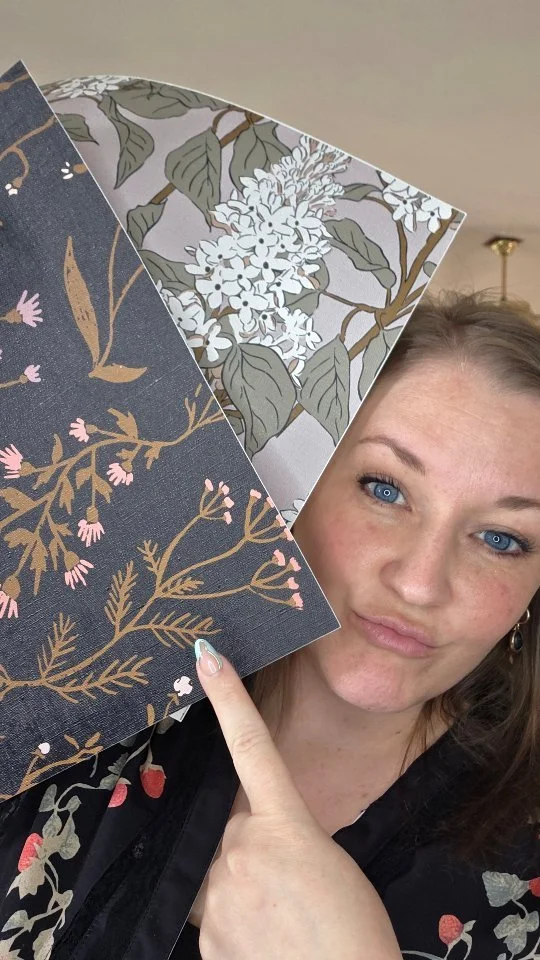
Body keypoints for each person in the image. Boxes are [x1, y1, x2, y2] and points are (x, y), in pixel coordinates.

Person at [1, 291, 540, 960]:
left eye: (502, 539)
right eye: (385, 489)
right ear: (298, 486)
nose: (419, 584)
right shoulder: (81, 704)